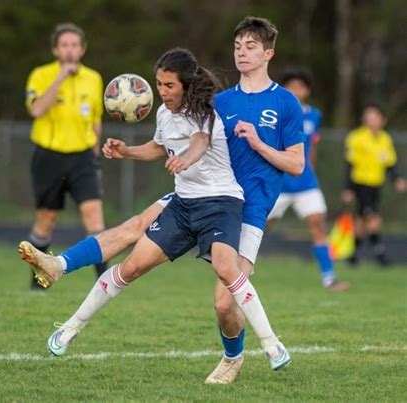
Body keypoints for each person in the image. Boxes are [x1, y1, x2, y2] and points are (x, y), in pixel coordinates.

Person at [19, 17, 304, 384]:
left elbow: (295, 164)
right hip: (196, 191)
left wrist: (258, 143)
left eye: (250, 47)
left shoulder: (285, 103)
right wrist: (133, 150)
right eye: (237, 46)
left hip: (246, 206)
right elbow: (180, 138)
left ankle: (235, 356)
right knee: (134, 228)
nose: (242, 53)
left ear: (268, 53)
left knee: (223, 301)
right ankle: (59, 265)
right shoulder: (217, 101)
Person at [24, 23, 107, 289]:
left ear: (82, 49)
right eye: (64, 45)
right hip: (49, 156)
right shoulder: (40, 75)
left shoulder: (93, 78)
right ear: (55, 49)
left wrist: (95, 159)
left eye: (74, 45)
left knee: (94, 217)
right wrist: (60, 78)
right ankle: (38, 282)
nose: (70, 50)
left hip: (83, 157)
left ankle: (105, 283)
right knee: (46, 221)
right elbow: (36, 110)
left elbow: (95, 121)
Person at [266, 68, 350, 291]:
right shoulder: (274, 113)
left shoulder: (315, 115)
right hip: (280, 182)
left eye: (300, 87)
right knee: (260, 227)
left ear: (306, 91)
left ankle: (329, 278)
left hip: (306, 183)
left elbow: (311, 147)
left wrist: (309, 169)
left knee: (318, 224)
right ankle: (236, 275)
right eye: (291, 86)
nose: (295, 90)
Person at [342, 104, 406, 266]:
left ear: (382, 120)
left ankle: (353, 254)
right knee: (373, 217)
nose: (371, 118)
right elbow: (350, 164)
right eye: (368, 115)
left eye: (375, 115)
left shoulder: (385, 139)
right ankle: (379, 252)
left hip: (376, 184)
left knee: (363, 219)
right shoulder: (356, 137)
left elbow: (389, 162)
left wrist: (397, 179)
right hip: (360, 183)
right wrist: (348, 188)